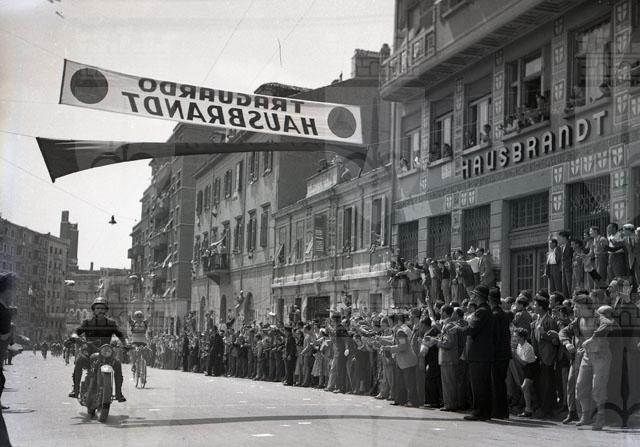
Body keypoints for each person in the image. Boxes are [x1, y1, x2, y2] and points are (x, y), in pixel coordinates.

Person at [68, 297, 128, 402]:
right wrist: (75, 337)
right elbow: (76, 332)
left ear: (106, 310)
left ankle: (119, 393)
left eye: (102, 308)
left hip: (106, 353)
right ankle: (75, 389)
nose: (100, 310)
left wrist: (126, 344)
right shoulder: (87, 322)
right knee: (79, 361)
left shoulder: (111, 323)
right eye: (98, 308)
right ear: (94, 310)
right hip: (89, 353)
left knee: (117, 364)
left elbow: (120, 334)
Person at [461, 285, 494, 421]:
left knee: (478, 384)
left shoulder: (481, 311)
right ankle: (485, 412)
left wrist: (460, 328)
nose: (472, 296)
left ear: (479, 296)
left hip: (479, 354)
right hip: (483, 354)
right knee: (483, 384)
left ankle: (479, 411)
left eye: (474, 294)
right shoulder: (486, 310)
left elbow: (472, 329)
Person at [530, 290, 559, 419]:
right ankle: (541, 407)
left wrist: (544, 334)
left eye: (535, 305)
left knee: (547, 384)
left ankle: (547, 410)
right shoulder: (537, 320)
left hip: (547, 357)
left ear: (541, 307)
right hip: (538, 356)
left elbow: (555, 340)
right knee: (540, 384)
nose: (533, 307)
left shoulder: (549, 321)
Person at [490, 287, 512, 419]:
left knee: (496, 383)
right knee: (500, 382)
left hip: (498, 353)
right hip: (504, 352)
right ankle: (503, 411)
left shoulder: (495, 315)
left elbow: (495, 337)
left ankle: (498, 411)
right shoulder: (502, 313)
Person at [513, 327, 537, 417]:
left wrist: (515, 355)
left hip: (531, 368)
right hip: (525, 369)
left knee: (525, 387)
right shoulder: (519, 346)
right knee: (527, 389)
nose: (515, 338)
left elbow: (524, 362)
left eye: (516, 336)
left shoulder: (528, 347)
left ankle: (528, 409)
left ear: (522, 338)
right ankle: (529, 408)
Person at [128, 310, 149, 375]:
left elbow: (149, 318)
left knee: (145, 352)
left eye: (140, 317)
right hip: (134, 341)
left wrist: (148, 312)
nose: (139, 318)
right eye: (138, 317)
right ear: (135, 317)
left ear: (142, 317)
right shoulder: (133, 323)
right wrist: (129, 314)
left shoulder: (144, 323)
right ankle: (133, 364)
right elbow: (129, 319)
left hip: (143, 342)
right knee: (133, 352)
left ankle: (143, 364)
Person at [557, 231, 574, 300]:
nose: (559, 239)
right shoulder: (561, 247)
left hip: (569, 267)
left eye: (560, 237)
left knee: (569, 283)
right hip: (563, 268)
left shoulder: (570, 245)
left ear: (564, 238)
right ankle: (566, 298)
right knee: (564, 285)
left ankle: (571, 298)